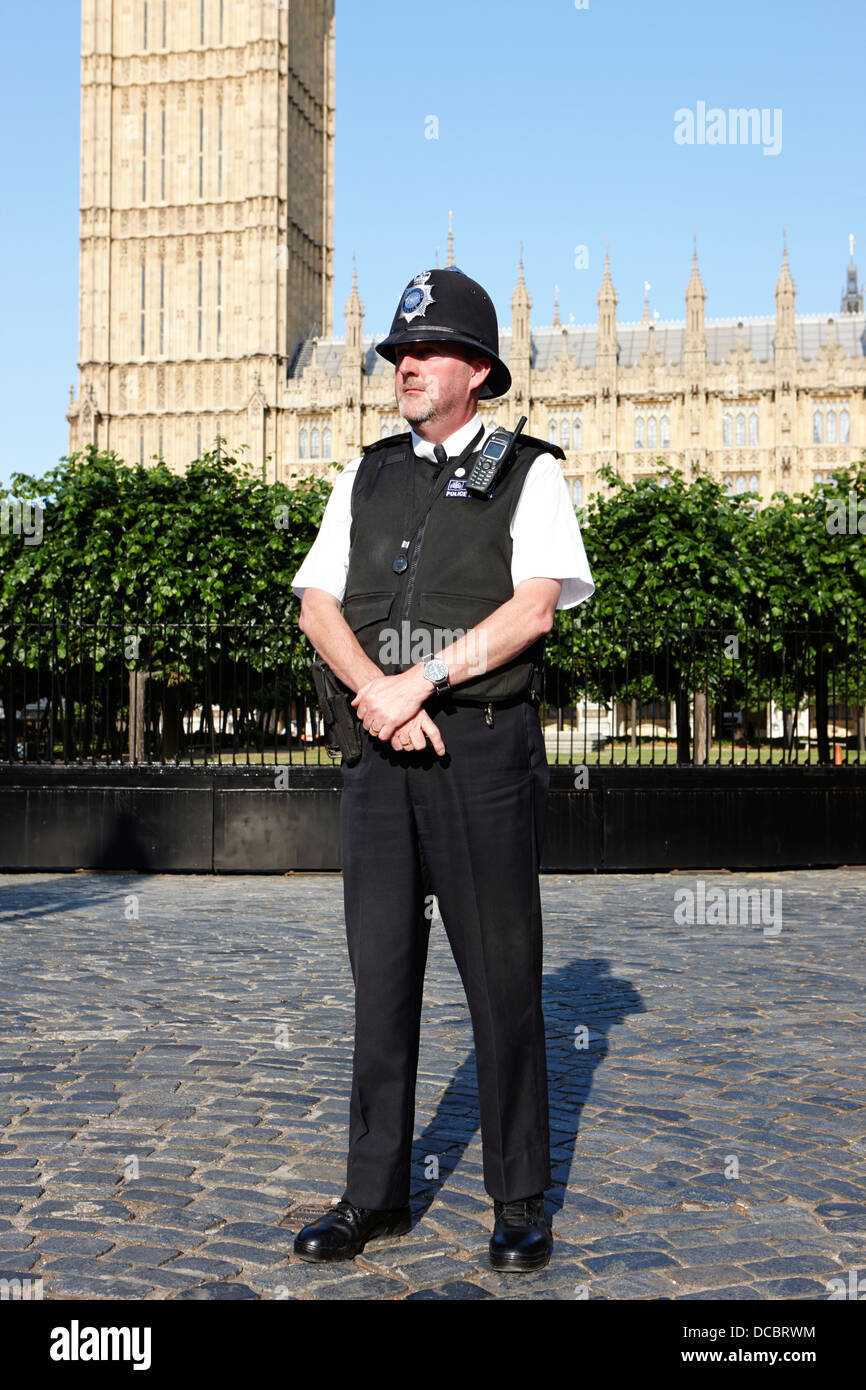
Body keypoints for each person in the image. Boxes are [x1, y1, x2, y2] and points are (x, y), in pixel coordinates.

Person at [290, 266, 594, 1272]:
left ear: (475, 368)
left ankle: (516, 1198)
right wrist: (378, 696)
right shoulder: (364, 473)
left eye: (422, 352)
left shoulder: (531, 472)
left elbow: (532, 609)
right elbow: (317, 605)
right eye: (394, 353)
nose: (403, 366)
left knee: (499, 980)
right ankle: (370, 1193)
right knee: (379, 979)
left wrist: (418, 680)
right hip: (379, 760)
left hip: (482, 755)